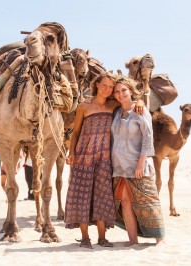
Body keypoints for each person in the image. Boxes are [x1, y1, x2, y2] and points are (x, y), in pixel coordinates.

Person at [64, 72, 143, 249]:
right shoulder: (84, 106)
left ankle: (102, 237)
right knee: (81, 196)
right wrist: (72, 153)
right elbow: (75, 132)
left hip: (105, 159)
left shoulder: (113, 105)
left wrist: (140, 101)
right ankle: (85, 238)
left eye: (111, 87)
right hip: (83, 157)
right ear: (97, 84)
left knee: (102, 196)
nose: (108, 90)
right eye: (105, 86)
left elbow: (129, 100)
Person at [111, 76, 165, 246]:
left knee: (148, 200)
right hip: (120, 165)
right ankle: (132, 240)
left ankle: (160, 240)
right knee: (126, 202)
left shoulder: (141, 111)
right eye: (117, 91)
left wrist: (141, 163)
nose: (120, 94)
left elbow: (148, 138)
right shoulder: (117, 112)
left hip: (138, 164)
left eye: (124, 90)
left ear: (131, 91)